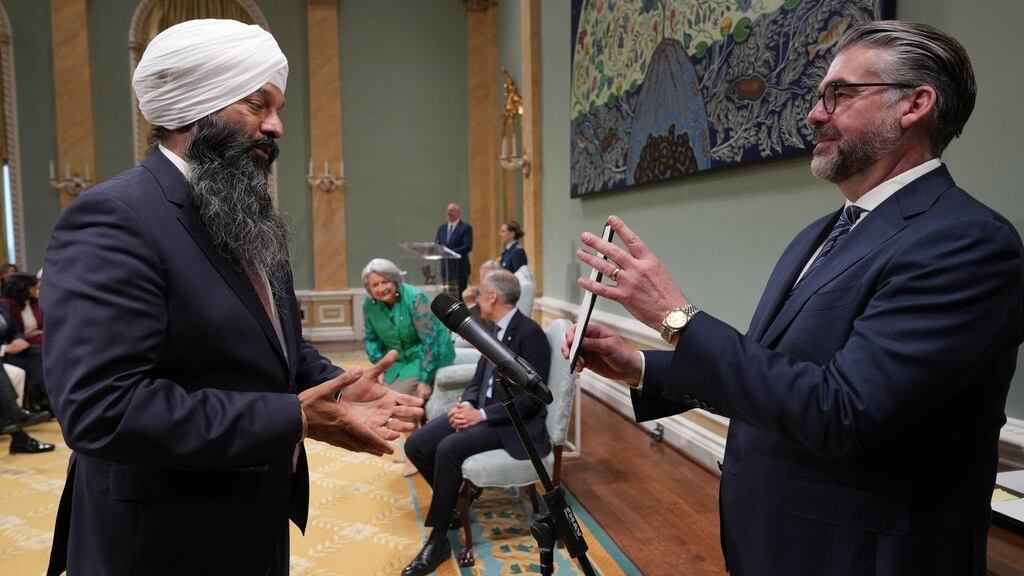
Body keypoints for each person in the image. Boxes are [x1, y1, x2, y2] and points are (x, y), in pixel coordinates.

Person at [565, 21, 1023, 576]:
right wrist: (639, 366)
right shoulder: (821, 233)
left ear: (914, 105)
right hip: (774, 540)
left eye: (840, 94)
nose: (813, 114)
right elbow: (778, 374)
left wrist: (674, 317)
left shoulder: (967, 242)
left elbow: (842, 412)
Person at [41, 19, 423, 576]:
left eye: (278, 109)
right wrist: (292, 418)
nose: (277, 127)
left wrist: (336, 384)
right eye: (257, 105)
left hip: (251, 518)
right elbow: (101, 408)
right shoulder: (114, 219)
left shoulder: (244, 210)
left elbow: (267, 341)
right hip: (159, 542)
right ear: (197, 104)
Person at [402, 270, 551, 576]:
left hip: (512, 425)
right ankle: (452, 505)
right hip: (481, 412)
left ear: (493, 296)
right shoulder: (489, 329)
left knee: (448, 448)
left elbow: (531, 401)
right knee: (416, 444)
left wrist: (480, 416)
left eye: (480, 293)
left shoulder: (530, 334)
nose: (477, 299)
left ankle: (438, 539)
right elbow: (478, 379)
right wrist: (468, 404)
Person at [362, 258, 455, 399]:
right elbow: (371, 339)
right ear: (369, 288)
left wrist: (425, 380)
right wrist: (380, 367)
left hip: (424, 358)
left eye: (385, 282)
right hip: (396, 360)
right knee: (374, 395)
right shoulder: (369, 305)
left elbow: (431, 341)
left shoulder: (415, 299)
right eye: (375, 285)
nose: (381, 288)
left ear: (394, 280)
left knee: (394, 398)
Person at [435, 202, 473, 296]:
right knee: (448, 297)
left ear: (458, 213)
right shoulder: (442, 228)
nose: (448, 213)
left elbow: (467, 246)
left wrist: (449, 253)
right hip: (446, 269)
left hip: (460, 269)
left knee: (460, 296)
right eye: (447, 210)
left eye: (451, 211)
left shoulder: (465, 228)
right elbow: (437, 244)